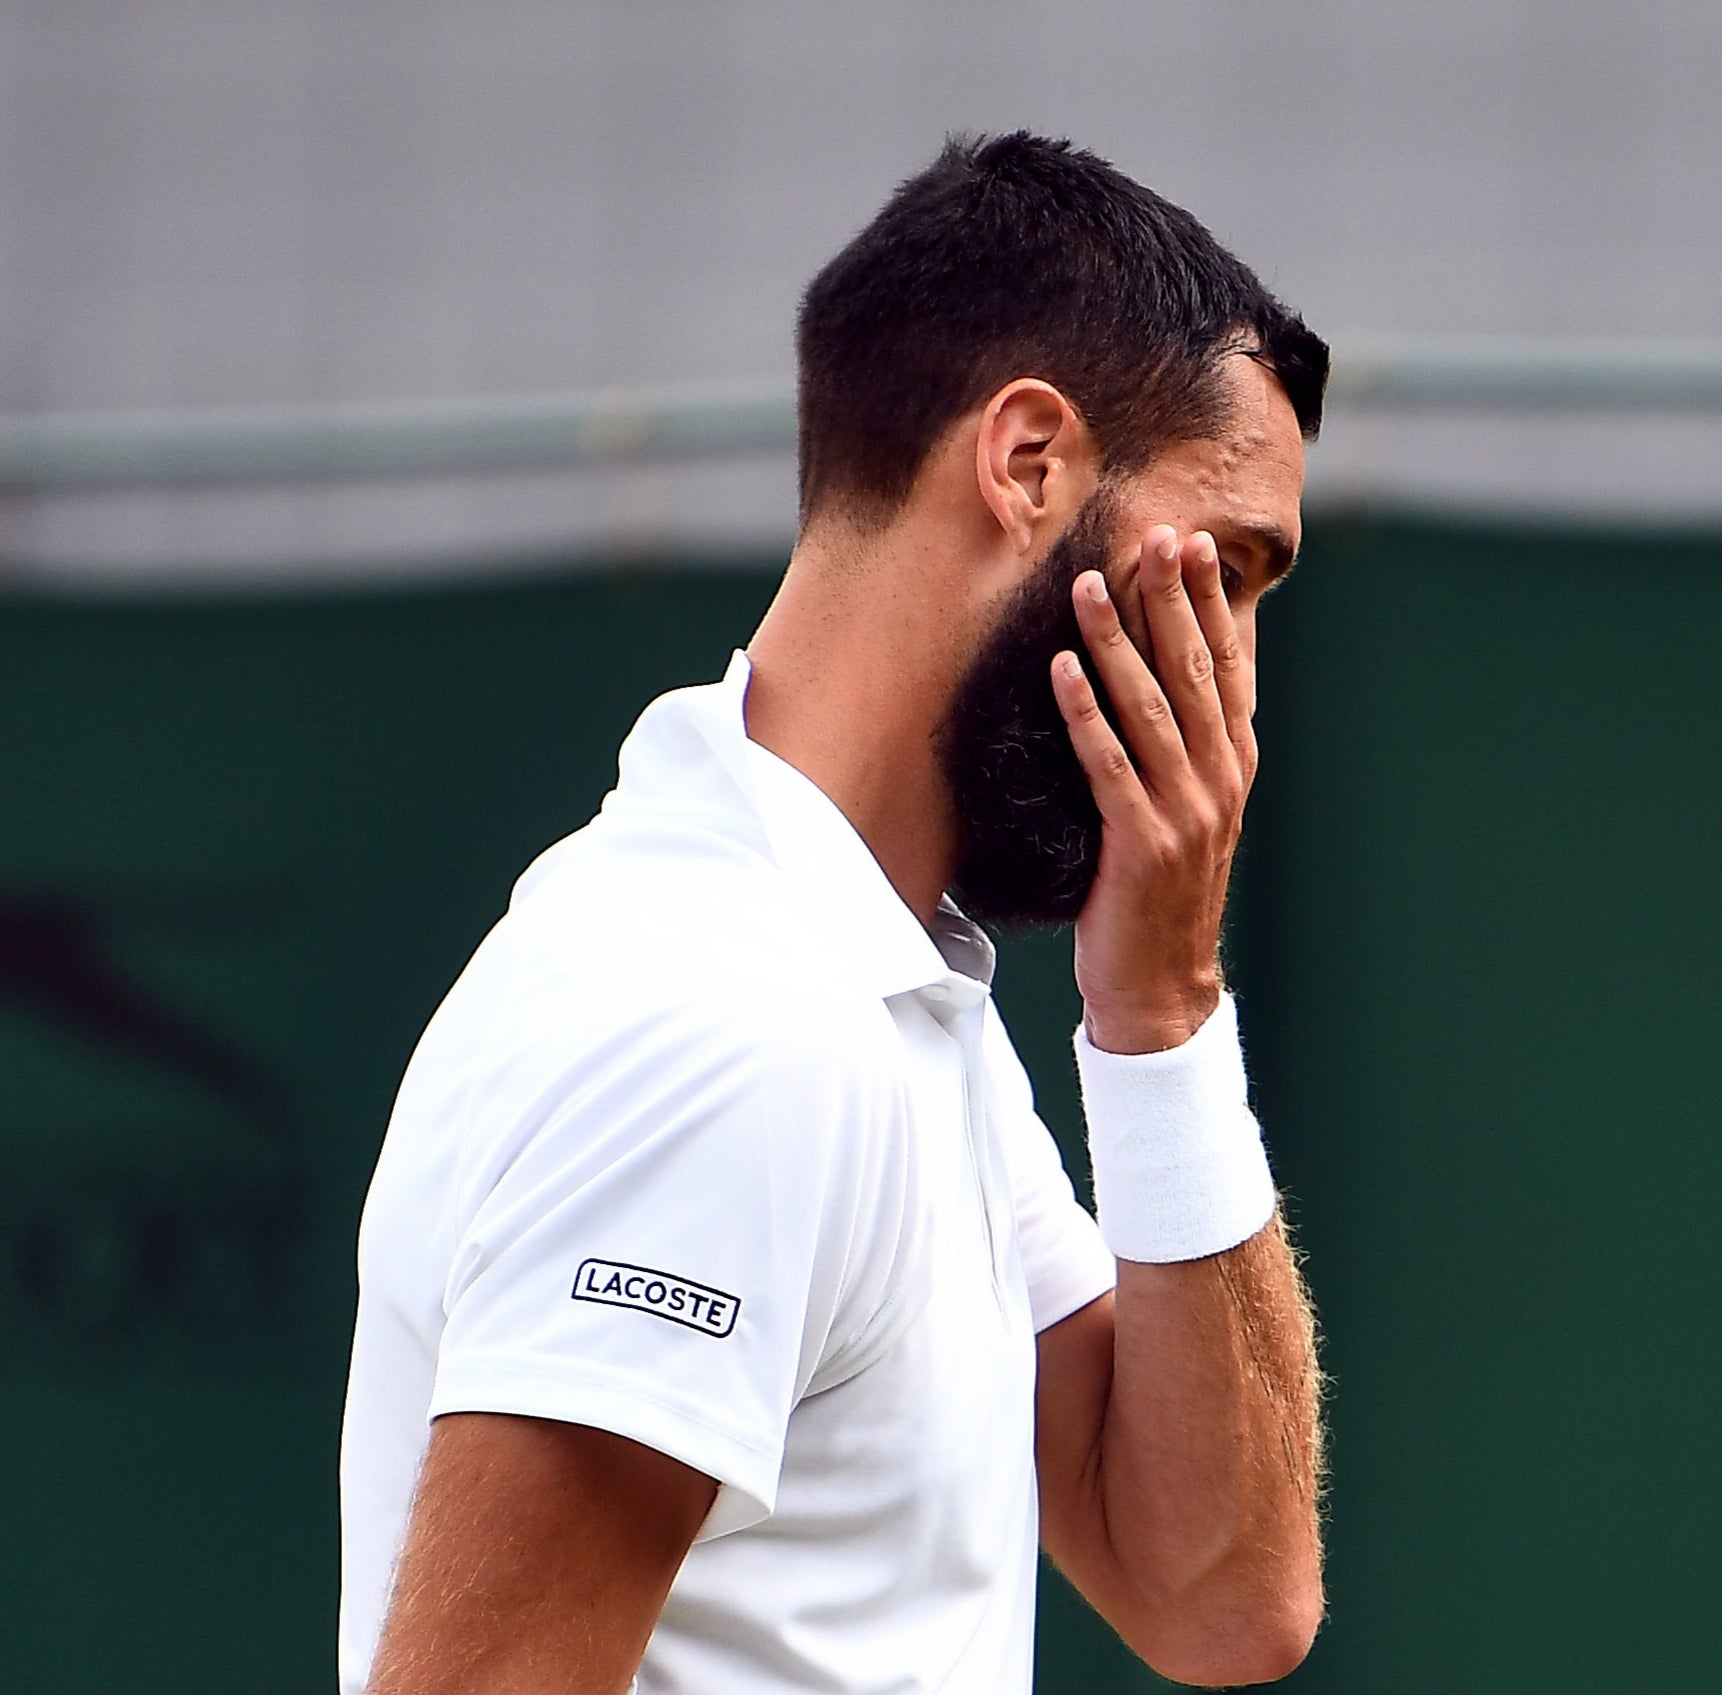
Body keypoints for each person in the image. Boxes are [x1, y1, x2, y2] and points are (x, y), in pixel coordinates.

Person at [338, 132, 1330, 1695]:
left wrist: (1165, 1015)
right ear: (1026, 463)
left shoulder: (873, 990)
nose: (1236, 681)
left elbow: (1223, 1596)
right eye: (1232, 572)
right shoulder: (729, 1028)